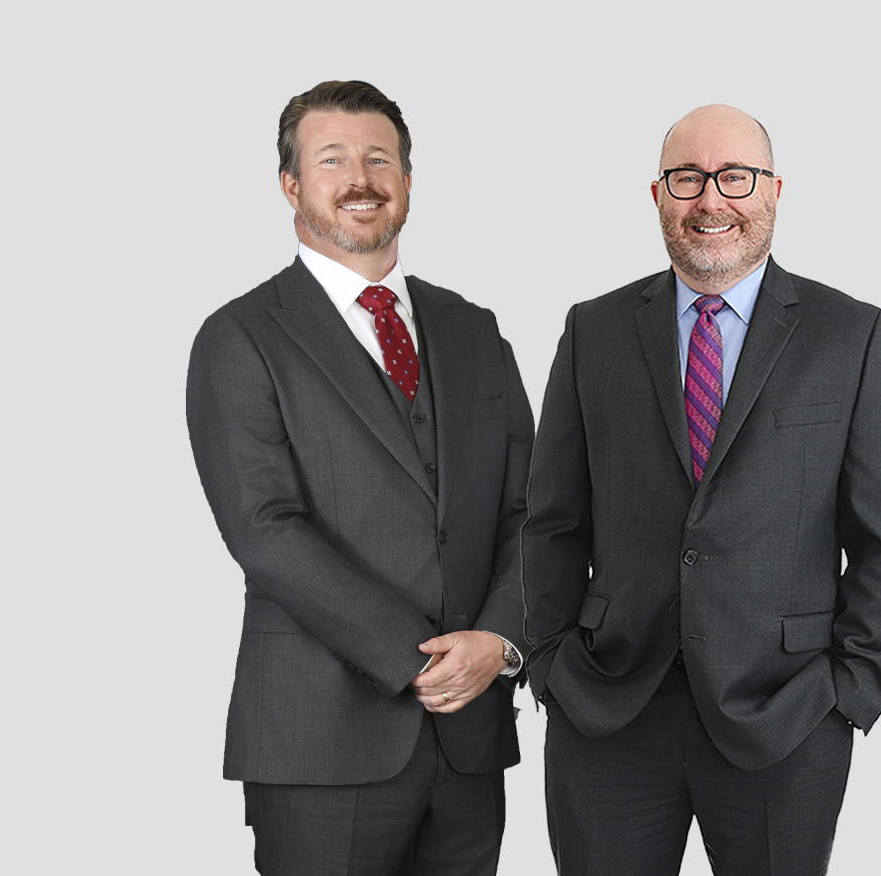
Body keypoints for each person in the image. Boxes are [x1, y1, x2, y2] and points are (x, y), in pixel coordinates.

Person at [522, 104, 881, 876]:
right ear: (657, 194)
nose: (711, 199)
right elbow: (551, 520)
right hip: (607, 708)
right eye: (687, 178)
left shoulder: (851, 335)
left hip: (786, 713)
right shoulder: (592, 330)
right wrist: (549, 663)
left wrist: (852, 684)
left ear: (773, 190)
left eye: (735, 177)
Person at [186, 80, 532, 876]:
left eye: (379, 159)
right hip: (321, 742)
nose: (359, 179)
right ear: (290, 185)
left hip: (470, 740)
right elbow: (264, 529)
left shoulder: (473, 329)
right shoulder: (241, 336)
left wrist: (498, 641)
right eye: (332, 159)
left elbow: (531, 510)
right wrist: (417, 659)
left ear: (406, 180)